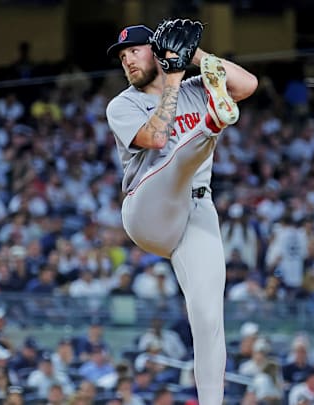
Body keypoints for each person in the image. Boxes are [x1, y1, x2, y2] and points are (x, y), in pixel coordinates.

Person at [104, 20, 257, 405]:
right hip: (148, 208)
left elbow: (247, 85)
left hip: (198, 208)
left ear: (155, 51)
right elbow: (156, 137)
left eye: (134, 51)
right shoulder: (122, 104)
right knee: (174, 160)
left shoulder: (195, 85)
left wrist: (196, 56)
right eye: (122, 57)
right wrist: (173, 77)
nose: (127, 61)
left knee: (208, 317)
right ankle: (211, 127)